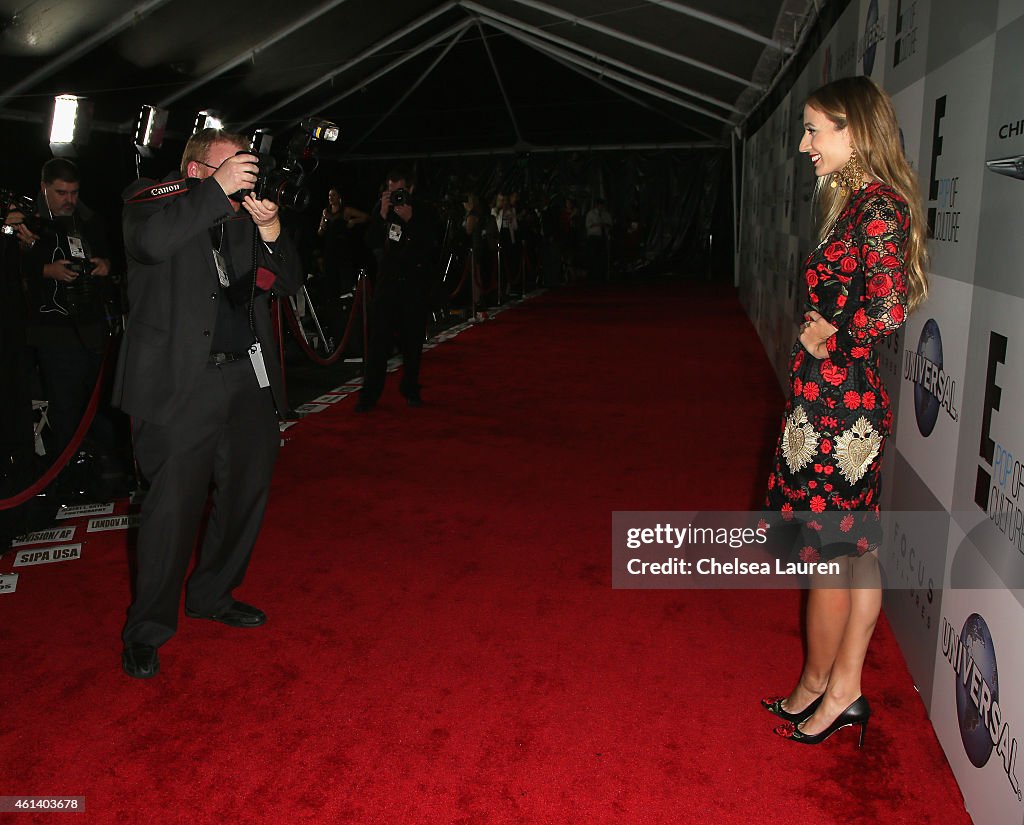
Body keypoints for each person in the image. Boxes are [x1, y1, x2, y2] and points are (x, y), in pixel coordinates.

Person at [760, 76, 929, 746]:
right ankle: (839, 688)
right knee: (853, 554)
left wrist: (831, 334)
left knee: (833, 556)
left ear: (853, 129)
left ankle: (823, 686)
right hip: (831, 397)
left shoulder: (878, 208)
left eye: (814, 130)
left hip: (841, 405)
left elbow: (889, 308)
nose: (804, 144)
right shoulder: (856, 202)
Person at [113, 128, 302, 679]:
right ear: (196, 170)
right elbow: (150, 245)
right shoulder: (149, 200)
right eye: (232, 167)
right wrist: (214, 193)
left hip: (245, 377)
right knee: (171, 510)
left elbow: (286, 282)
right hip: (178, 385)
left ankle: (213, 594)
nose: (245, 176)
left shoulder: (241, 218)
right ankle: (147, 629)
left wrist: (270, 230)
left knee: (245, 495)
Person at [18, 159, 120, 475]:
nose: (69, 200)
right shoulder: (24, 221)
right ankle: (69, 474)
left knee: (98, 403)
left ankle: (99, 468)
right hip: (52, 330)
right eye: (61, 192)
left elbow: (111, 257)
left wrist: (104, 266)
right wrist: (47, 270)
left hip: (91, 326)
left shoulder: (88, 219)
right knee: (65, 407)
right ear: (44, 188)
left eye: (74, 192)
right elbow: (12, 273)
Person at [355, 166, 440, 411]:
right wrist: (381, 216)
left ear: (411, 189)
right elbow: (370, 243)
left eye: (399, 191)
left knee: (412, 343)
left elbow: (430, 246)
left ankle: (411, 389)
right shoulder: (382, 209)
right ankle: (369, 395)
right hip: (387, 286)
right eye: (390, 191)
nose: (394, 196)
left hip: (414, 286)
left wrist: (410, 221)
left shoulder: (423, 211)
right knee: (378, 343)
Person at [317, 187, 368, 297]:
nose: (331, 198)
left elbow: (365, 217)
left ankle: (347, 294)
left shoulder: (346, 210)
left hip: (343, 247)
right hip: (330, 247)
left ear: (339, 197)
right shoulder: (326, 211)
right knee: (330, 273)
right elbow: (320, 232)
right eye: (329, 195)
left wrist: (353, 221)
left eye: (333, 195)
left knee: (345, 272)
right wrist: (323, 223)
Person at [585, 197, 612, 280]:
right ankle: (593, 275)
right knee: (593, 257)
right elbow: (588, 225)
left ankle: (602, 275)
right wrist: (598, 224)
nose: (601, 207)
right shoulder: (591, 214)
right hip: (594, 237)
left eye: (602, 205)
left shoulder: (606, 214)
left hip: (603, 238)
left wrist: (604, 225)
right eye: (599, 205)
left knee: (602, 257)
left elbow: (610, 224)